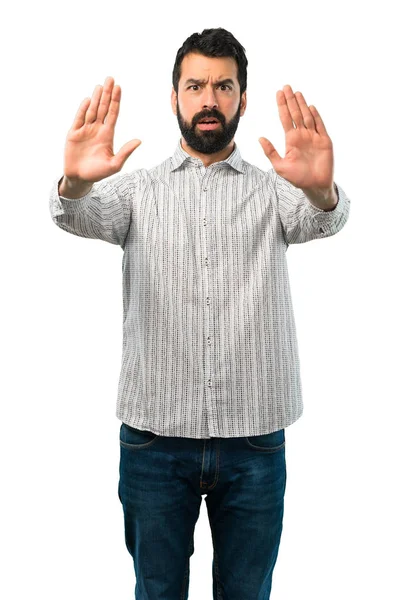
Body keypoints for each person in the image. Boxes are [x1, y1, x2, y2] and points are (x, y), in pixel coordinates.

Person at [49, 27, 350, 600]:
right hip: (153, 440)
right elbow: (73, 215)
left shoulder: (275, 191)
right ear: (175, 98)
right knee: (156, 592)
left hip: (255, 437)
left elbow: (325, 220)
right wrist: (75, 183)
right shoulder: (135, 192)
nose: (209, 99)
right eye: (195, 86)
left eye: (223, 86)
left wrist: (321, 191)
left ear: (242, 98)